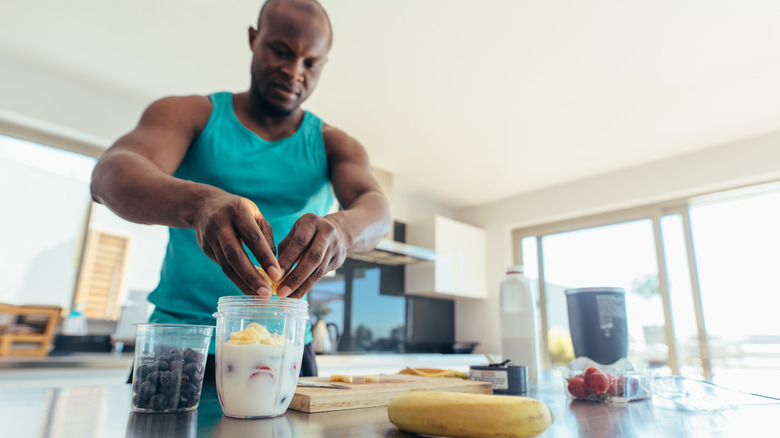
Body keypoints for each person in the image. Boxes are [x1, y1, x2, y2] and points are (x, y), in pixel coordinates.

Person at [90, 0, 391, 379]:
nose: (294, 71)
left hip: (284, 347)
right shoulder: (191, 114)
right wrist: (198, 203)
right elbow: (108, 176)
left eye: (310, 63)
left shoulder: (335, 144)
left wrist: (344, 232)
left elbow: (378, 211)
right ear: (254, 38)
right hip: (183, 342)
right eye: (281, 51)